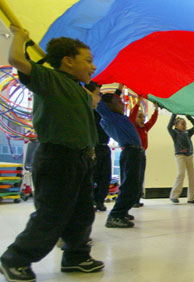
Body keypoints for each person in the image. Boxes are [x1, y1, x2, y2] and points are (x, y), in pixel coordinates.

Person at [1, 27, 104, 282]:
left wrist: (94, 98)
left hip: (81, 159)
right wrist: (21, 38)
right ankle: (16, 259)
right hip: (57, 158)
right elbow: (16, 60)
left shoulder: (78, 89)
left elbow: (87, 106)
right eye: (88, 60)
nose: (93, 66)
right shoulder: (50, 79)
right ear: (68, 61)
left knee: (82, 212)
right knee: (52, 214)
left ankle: (76, 256)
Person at [96, 88, 146, 229]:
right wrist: (95, 86)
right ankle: (115, 216)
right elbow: (101, 102)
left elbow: (111, 101)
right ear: (108, 106)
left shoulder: (119, 116)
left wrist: (118, 90)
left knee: (135, 187)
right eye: (119, 102)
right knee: (129, 186)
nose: (122, 104)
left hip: (137, 153)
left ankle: (123, 211)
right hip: (130, 153)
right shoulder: (109, 116)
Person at [128, 91, 159, 208]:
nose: (142, 119)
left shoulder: (145, 128)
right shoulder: (132, 127)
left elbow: (152, 121)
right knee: (134, 178)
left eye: (143, 117)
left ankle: (137, 199)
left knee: (140, 177)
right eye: (140, 117)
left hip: (142, 154)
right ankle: (130, 199)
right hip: (133, 154)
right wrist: (138, 103)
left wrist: (156, 110)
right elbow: (131, 116)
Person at [86, 82, 111, 212]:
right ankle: (91, 200)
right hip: (94, 146)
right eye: (98, 94)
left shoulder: (104, 113)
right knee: (93, 175)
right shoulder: (90, 111)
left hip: (104, 146)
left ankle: (100, 200)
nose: (99, 97)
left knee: (105, 176)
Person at [167, 114, 194, 204]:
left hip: (189, 156)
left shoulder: (187, 132)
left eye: (185, 124)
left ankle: (191, 198)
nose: (185, 126)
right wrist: (173, 115)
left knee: (192, 177)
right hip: (180, 156)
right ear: (176, 125)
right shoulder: (174, 133)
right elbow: (169, 127)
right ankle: (174, 195)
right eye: (183, 124)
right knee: (181, 174)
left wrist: (189, 117)